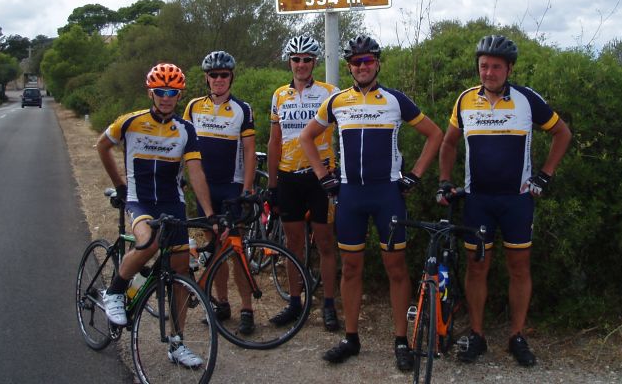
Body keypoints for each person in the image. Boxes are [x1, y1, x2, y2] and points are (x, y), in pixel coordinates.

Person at [298, 34, 444, 372]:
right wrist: (323, 176)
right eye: (356, 62)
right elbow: (306, 137)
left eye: (368, 60)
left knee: (396, 268)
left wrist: (415, 175)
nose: (362, 66)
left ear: (377, 63)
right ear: (349, 67)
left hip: (387, 195)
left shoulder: (395, 100)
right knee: (351, 268)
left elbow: (435, 134)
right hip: (350, 196)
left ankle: (400, 340)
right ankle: (351, 338)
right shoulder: (337, 102)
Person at [437, 34, 572, 367]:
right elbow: (449, 143)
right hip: (478, 201)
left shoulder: (527, 100)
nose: (488, 72)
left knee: (519, 267)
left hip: (517, 200)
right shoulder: (465, 100)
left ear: (509, 68)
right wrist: (445, 180)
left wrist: (545, 174)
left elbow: (562, 133)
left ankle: (516, 335)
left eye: (496, 66)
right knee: (477, 267)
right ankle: (478, 334)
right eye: (483, 66)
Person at [97, 62, 215, 369]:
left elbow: (196, 171)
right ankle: (114, 291)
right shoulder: (131, 122)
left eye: (172, 92)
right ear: (151, 92)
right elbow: (102, 146)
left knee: (180, 275)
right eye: (160, 91)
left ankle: (176, 344)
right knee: (148, 243)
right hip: (140, 201)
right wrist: (120, 186)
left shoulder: (185, 130)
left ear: (179, 95)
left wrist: (209, 213)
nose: (166, 97)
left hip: (172, 205)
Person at [267, 35, 340, 331]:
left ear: (315, 62)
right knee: (293, 243)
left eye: (307, 59)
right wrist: (272, 184)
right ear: (290, 62)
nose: (301, 64)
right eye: (296, 59)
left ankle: (329, 304)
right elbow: (274, 141)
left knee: (325, 243)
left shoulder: (330, 93)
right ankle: (295, 302)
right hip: (288, 177)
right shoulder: (279, 95)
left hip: (320, 178)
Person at [182, 51, 257, 335]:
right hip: (204, 188)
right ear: (206, 78)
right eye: (213, 75)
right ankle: (223, 304)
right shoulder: (193, 106)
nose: (218, 80)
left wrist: (247, 189)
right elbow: (182, 145)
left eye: (223, 75)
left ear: (231, 78)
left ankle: (247, 308)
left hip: (231, 187)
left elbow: (249, 152)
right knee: (214, 247)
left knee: (236, 249)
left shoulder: (242, 109)